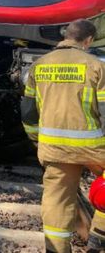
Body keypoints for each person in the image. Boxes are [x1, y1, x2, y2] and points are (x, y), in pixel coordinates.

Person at [22, 19, 105, 253]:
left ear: (65, 36)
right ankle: (99, 236)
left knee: (57, 198)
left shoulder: (39, 66)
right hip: (95, 148)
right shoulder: (97, 67)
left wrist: (37, 141)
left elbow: (28, 113)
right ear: (87, 41)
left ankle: (56, 248)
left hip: (54, 148)